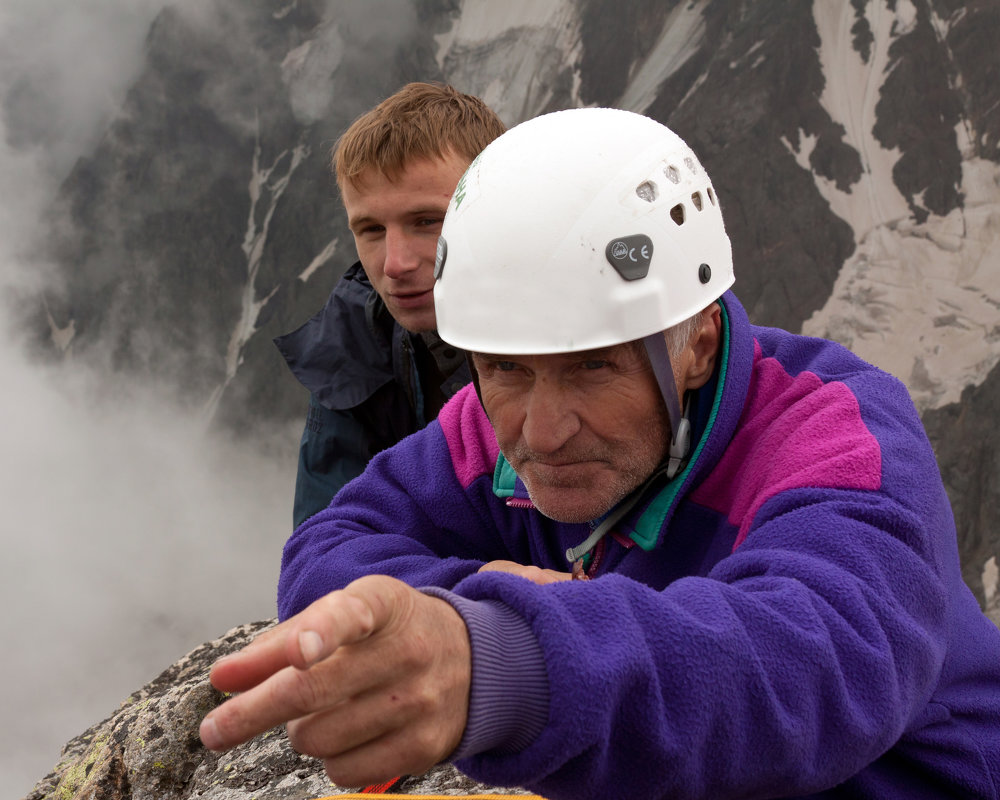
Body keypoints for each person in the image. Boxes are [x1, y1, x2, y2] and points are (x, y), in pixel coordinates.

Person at [203, 108, 1000, 798]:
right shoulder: (492, 426)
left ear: (696, 346)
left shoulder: (835, 436)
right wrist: (473, 612)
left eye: (595, 366)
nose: (543, 432)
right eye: (505, 367)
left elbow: (815, 668)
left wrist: (510, 656)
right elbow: (331, 547)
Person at [274, 82, 506, 528]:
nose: (395, 264)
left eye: (426, 221)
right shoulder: (353, 344)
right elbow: (324, 550)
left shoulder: (589, 332)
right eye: (371, 230)